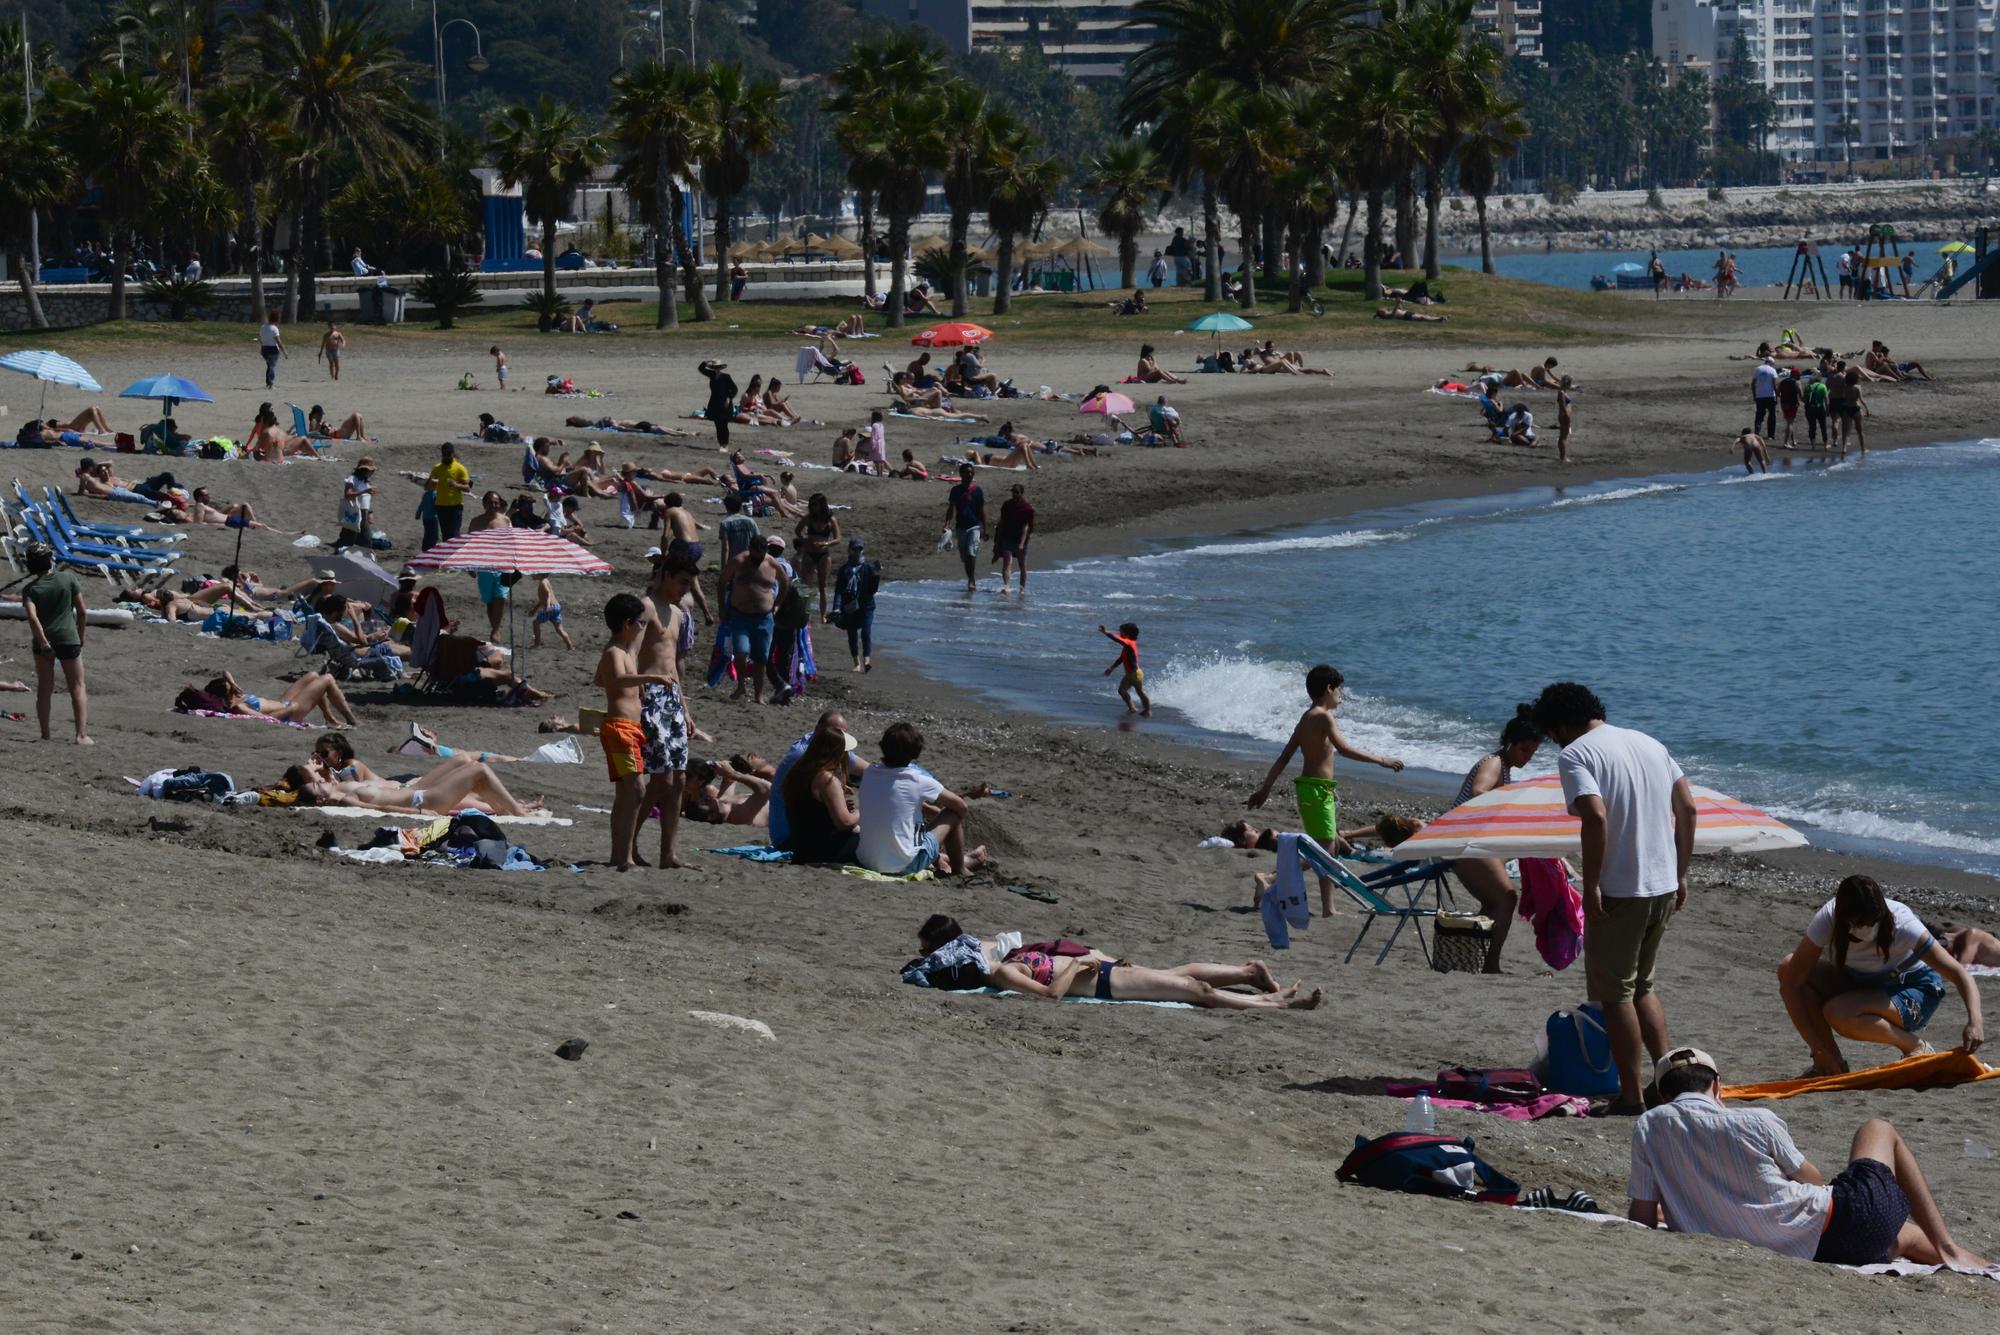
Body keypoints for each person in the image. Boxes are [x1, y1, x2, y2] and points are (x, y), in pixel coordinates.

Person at [1626, 1045, 1989, 1270]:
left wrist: (1673, 1207)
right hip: (1838, 1221)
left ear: (1662, 1093)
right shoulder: (1755, 1120)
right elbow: (1812, 1180)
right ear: (1717, 1085)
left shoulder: (1647, 1127)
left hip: (1824, 1249)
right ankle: (1949, 1247)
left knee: (1902, 1236)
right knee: (1878, 1129)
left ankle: (1977, 1264)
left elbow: (1641, 1217)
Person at [1532, 681, 1698, 1115]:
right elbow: (1688, 808)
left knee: (1616, 993)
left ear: (1563, 725)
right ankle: (1668, 1085)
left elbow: (1596, 816)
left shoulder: (1576, 754)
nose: (1556, 744)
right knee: (1643, 986)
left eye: (1554, 734)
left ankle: (1631, 1096)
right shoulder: (1648, 742)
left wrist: (1590, 884)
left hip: (1621, 889)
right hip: (1662, 884)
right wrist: (1679, 873)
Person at [1778, 875, 1984, 1077]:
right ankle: (1831, 1063)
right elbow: (1792, 985)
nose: (1866, 929)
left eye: (1872, 922)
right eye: (1859, 923)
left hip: (1913, 989)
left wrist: (1975, 1022)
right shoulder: (1828, 919)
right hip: (1861, 985)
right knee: (1789, 968)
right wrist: (1818, 1049)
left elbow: (1959, 973)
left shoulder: (1904, 925)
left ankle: (1916, 1046)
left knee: (1838, 1012)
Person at [1248, 665, 1406, 918]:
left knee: (1328, 850)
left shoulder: (1306, 716)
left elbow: (1284, 757)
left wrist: (1266, 789)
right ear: (1329, 688)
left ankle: (1327, 908)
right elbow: (1344, 749)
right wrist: (1381, 760)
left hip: (1314, 790)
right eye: (1339, 689)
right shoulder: (1323, 716)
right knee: (1324, 851)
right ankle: (1270, 878)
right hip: (1317, 792)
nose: (1341, 694)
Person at [916, 916, 1321, 1010]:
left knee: (1180, 975)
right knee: (1193, 990)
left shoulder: (1004, 956)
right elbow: (1050, 995)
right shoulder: (1002, 972)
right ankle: (1272, 1003)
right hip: (1103, 985)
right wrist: (1078, 968)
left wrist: (1093, 958)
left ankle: (1250, 975)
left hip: (1104, 971)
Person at [1448, 705, 1547, 973]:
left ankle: (1473, 957)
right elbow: (1479, 791)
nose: (1528, 757)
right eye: (1525, 750)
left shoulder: (1504, 767)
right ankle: (1490, 964)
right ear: (1510, 743)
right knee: (1505, 898)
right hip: (1460, 838)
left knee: (1495, 901)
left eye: (1533, 752)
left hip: (1466, 838)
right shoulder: (1494, 763)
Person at [597, 593, 673, 870]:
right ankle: (623, 856)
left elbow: (600, 679)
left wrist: (635, 688)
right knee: (636, 790)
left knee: (626, 793)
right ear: (627, 624)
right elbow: (615, 678)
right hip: (620, 728)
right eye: (640, 623)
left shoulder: (622, 651)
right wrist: (650, 677)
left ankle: (621, 855)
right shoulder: (614, 652)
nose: (643, 627)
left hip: (630, 728)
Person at [856, 722, 986, 876]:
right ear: (915, 753)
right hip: (905, 866)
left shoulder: (869, 773)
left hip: (866, 860)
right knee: (953, 813)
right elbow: (961, 807)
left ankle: (955, 861)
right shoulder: (917, 780)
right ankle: (960, 868)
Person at [768, 708, 870, 852]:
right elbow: (844, 823)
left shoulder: (809, 755)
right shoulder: (821, 774)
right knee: (868, 840)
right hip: (791, 838)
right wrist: (864, 810)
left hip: (800, 836)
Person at [19, 544, 90, 744]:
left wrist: (44, 644)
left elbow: (33, 619)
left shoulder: (30, 589)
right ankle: (81, 735)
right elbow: (82, 612)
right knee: (77, 686)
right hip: (68, 638)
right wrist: (80, 636)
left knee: (44, 689)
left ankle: (45, 734)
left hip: (43, 643)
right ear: (50, 559)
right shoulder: (68, 578)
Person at [719, 524, 791, 704]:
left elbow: (785, 582)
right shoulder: (739, 561)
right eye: (755, 555)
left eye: (761, 555)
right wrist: (722, 608)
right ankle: (741, 685)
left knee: (761, 658)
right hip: (740, 615)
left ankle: (759, 694)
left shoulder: (771, 563)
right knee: (742, 651)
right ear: (750, 549)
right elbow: (721, 582)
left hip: (764, 617)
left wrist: (778, 605)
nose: (757, 559)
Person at [781, 723, 863, 864]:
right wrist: (864, 811)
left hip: (801, 848)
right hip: (824, 850)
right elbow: (844, 823)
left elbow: (809, 810)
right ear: (837, 752)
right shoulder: (827, 780)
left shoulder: (798, 771)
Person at [201, 670, 358, 727]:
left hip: (282, 702)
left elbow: (225, 671)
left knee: (313, 675)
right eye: (230, 691)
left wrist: (232, 683)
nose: (234, 692)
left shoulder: (234, 697)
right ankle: (352, 720)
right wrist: (290, 708)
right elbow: (267, 719)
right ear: (224, 697)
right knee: (327, 679)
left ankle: (329, 717)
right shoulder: (238, 707)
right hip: (289, 711)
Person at [832, 538, 880, 672]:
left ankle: (867, 660)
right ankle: (856, 663)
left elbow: (873, 590)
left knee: (866, 632)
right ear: (850, 550)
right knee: (852, 634)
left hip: (866, 606)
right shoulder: (844, 569)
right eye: (855, 549)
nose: (858, 552)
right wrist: (836, 607)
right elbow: (839, 590)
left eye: (860, 549)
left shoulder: (868, 567)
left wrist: (876, 576)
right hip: (849, 606)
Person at [794, 494, 841, 620]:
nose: (813, 507)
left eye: (815, 504)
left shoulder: (831, 520)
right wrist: (804, 541)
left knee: (823, 586)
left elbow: (838, 539)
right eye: (811, 504)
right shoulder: (808, 518)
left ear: (822, 505)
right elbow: (797, 530)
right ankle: (806, 614)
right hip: (809, 553)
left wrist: (825, 543)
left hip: (823, 555)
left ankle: (823, 616)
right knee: (805, 586)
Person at [945, 463, 985, 592]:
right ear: (961, 474)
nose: (969, 474)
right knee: (965, 557)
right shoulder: (956, 491)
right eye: (967, 472)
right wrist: (946, 524)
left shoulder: (977, 491)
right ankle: (970, 577)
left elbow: (981, 510)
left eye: (971, 472)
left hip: (974, 526)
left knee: (971, 552)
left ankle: (971, 580)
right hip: (960, 527)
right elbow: (951, 509)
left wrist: (985, 527)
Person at [1098, 622, 1151, 716]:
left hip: (1135, 674)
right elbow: (1122, 658)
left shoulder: (1129, 643)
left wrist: (1105, 632)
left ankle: (1147, 710)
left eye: (1121, 632)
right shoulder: (1127, 646)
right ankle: (1132, 708)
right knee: (1122, 690)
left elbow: (1117, 639)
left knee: (1140, 692)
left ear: (1127, 634)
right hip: (1130, 674)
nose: (1119, 634)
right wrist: (1111, 668)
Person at [992, 483, 1034, 593]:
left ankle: (1022, 589)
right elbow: (1002, 523)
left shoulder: (1027, 508)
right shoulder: (1007, 505)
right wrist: (998, 542)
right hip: (1008, 537)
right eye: (1013, 492)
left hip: (1021, 539)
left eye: (1017, 493)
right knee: (1007, 562)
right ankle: (1006, 586)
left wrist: (1021, 543)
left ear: (1021, 493)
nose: (1015, 495)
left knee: (1022, 565)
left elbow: (1026, 527)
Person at [428, 442, 470, 548]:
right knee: (445, 535)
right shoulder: (437, 468)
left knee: (454, 534)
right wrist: (431, 484)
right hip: (441, 505)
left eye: (448, 454)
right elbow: (428, 486)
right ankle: (446, 557)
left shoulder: (460, 468)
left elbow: (467, 488)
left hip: (455, 506)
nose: (446, 457)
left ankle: (455, 556)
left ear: (453, 454)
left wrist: (455, 484)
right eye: (444, 454)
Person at [337, 457, 376, 549]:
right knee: (364, 538)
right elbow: (347, 494)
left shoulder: (365, 482)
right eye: (371, 470)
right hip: (355, 511)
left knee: (354, 535)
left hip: (363, 512)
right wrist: (364, 491)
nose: (372, 473)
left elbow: (365, 499)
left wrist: (370, 512)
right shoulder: (352, 479)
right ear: (364, 470)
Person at [698, 360, 737, 448]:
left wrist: (729, 398)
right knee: (718, 425)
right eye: (715, 367)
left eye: (718, 367)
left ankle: (725, 444)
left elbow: (735, 389)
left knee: (724, 425)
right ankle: (721, 444)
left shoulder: (726, 377)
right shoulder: (711, 375)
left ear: (720, 368)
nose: (717, 369)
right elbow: (700, 368)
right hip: (714, 404)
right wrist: (707, 362)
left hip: (725, 404)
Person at [1750, 356, 1780, 441]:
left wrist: (1754, 395)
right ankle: (1771, 435)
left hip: (1760, 396)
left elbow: (1753, 384)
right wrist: (1777, 396)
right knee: (1772, 416)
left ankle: (1757, 433)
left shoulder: (1758, 369)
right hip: (1770, 396)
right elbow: (1774, 385)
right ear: (1771, 363)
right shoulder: (1772, 370)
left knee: (1759, 415)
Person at [1774, 368, 1802, 449]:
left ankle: (1793, 440)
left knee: (1789, 422)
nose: (1799, 375)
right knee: (1790, 423)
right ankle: (1786, 443)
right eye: (1798, 374)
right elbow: (1801, 395)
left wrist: (1783, 397)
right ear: (1795, 374)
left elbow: (1777, 392)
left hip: (1784, 404)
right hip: (1792, 404)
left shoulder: (1783, 381)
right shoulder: (1797, 382)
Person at [1802, 370, 1831, 447]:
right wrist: (1828, 411)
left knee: (1812, 426)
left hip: (1809, 409)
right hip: (1820, 408)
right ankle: (1825, 444)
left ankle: (1813, 445)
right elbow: (1826, 400)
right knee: (1823, 426)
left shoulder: (1807, 387)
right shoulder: (1822, 386)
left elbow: (1804, 400)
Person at [258, 310, 285, 388]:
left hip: (264, 348)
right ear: (277, 319)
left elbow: (261, 339)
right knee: (272, 366)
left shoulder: (263, 327)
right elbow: (278, 342)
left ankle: (268, 383)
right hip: (273, 349)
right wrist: (284, 351)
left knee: (269, 365)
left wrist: (261, 348)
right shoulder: (274, 329)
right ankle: (271, 383)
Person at [1555, 377, 1574, 464]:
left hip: (1565, 416)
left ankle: (1562, 456)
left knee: (1563, 436)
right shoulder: (1562, 393)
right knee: (1563, 437)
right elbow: (1562, 406)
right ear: (1568, 384)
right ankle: (1563, 457)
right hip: (1564, 416)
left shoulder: (1563, 392)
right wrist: (1567, 416)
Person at [865, 409, 889, 475]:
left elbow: (874, 436)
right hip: (882, 443)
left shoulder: (874, 425)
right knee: (881, 460)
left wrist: (872, 445)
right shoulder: (881, 425)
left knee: (877, 461)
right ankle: (880, 473)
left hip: (876, 444)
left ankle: (879, 473)